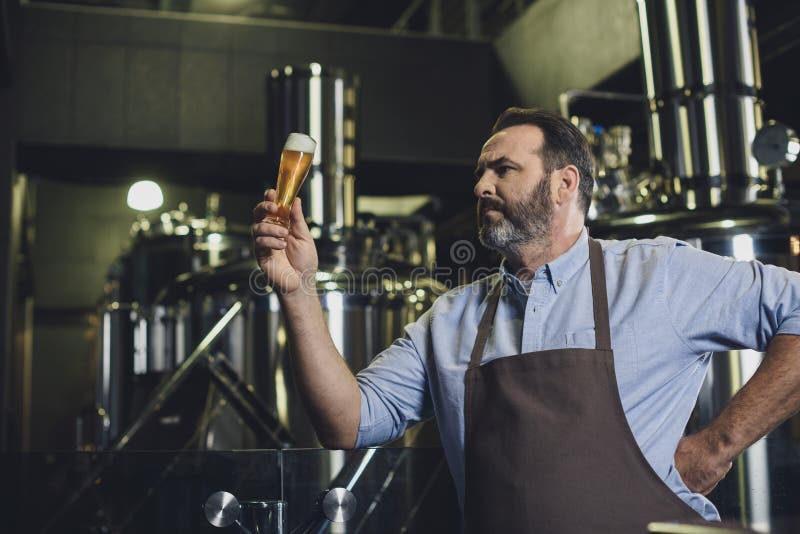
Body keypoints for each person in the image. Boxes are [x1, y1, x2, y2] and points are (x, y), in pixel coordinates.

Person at [252, 107, 800, 532]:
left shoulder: (655, 274)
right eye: (480, 172)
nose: (480, 186)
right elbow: (347, 423)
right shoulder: (450, 321)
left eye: (503, 169)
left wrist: (719, 443)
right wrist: (298, 291)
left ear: (565, 184)